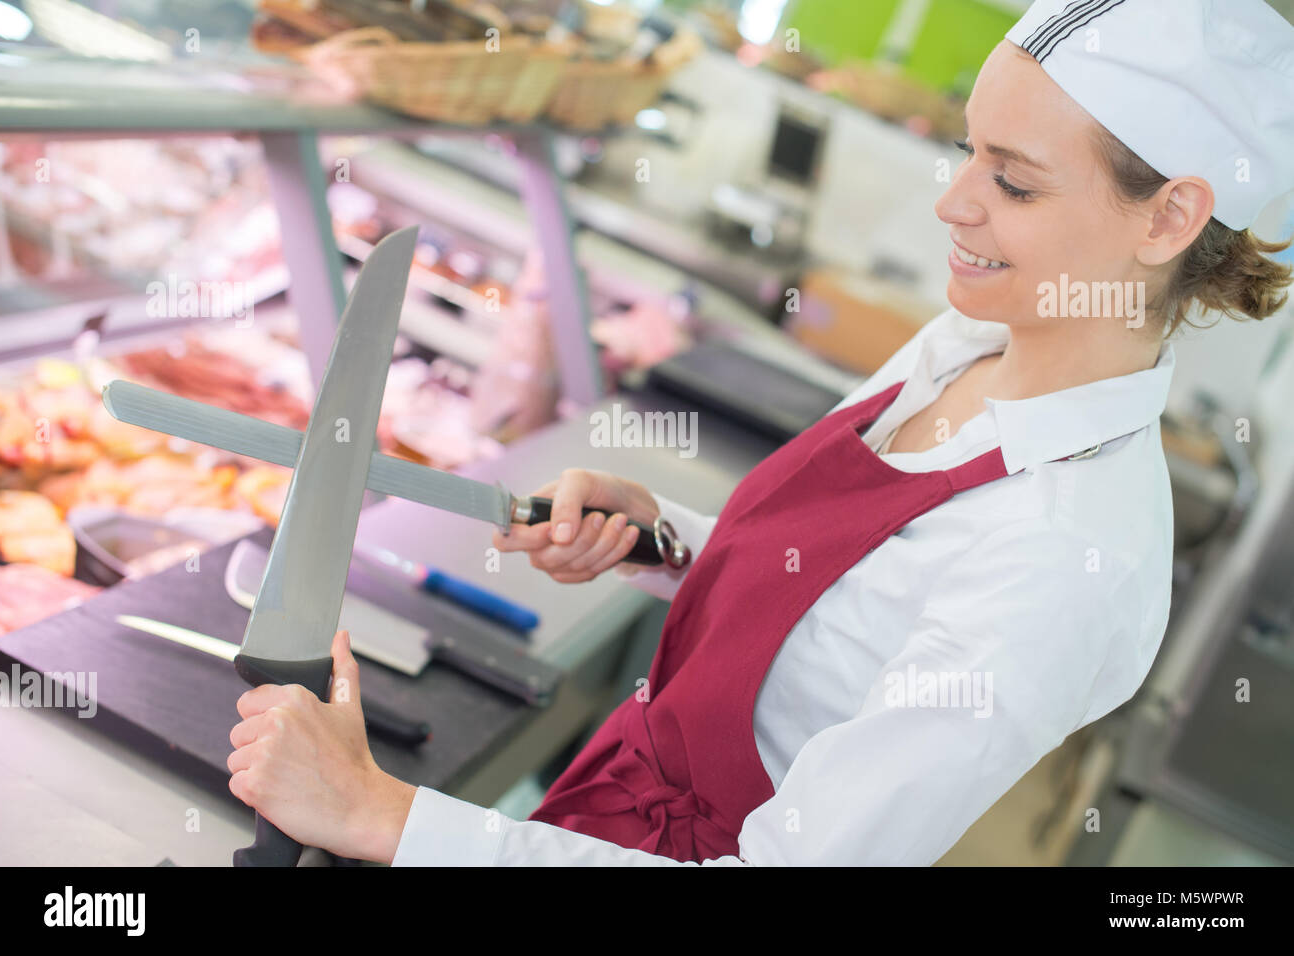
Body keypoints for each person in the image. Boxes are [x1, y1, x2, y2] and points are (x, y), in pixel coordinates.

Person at [228, 0, 1294, 865]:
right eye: (969, 154)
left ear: (1167, 218)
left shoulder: (1065, 553)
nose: (954, 204)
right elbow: (837, 612)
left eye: (1012, 181)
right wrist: (663, 539)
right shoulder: (966, 344)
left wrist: (381, 814)